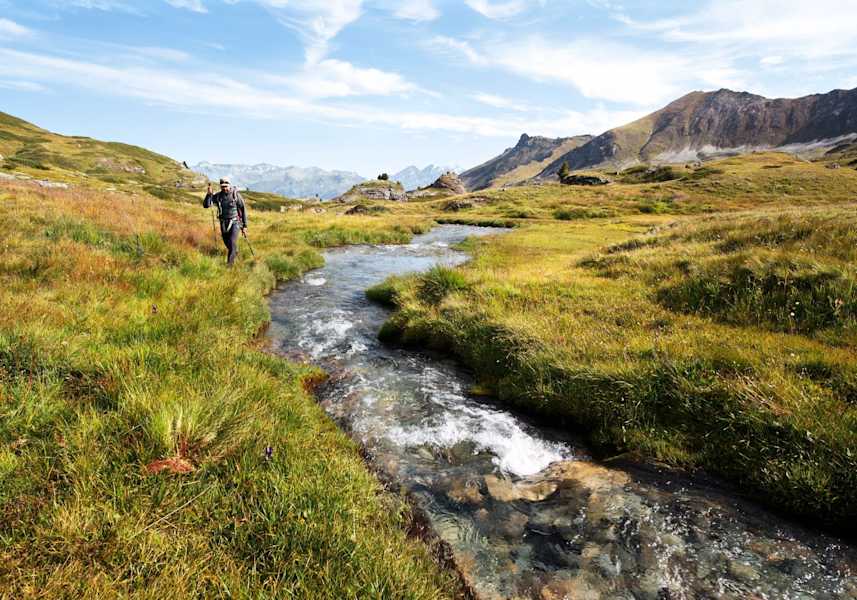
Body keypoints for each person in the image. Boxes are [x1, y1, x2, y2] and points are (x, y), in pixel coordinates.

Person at [204, 177, 247, 266]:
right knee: (228, 244)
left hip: (235, 222)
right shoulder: (218, 196)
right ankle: (236, 252)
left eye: (226, 186)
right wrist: (209, 194)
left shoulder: (235, 195)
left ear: (229, 185)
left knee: (232, 242)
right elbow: (206, 205)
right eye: (222, 186)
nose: (224, 188)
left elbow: (243, 209)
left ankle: (229, 266)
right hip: (223, 223)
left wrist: (245, 226)